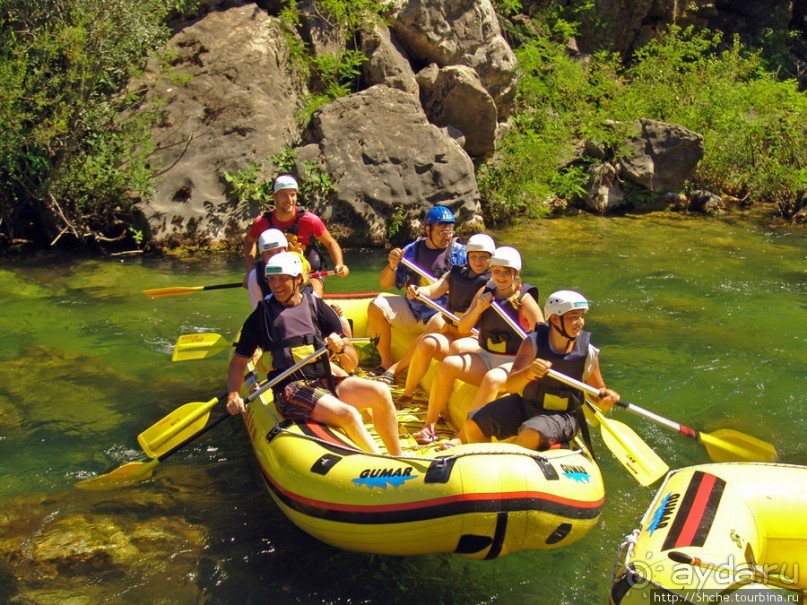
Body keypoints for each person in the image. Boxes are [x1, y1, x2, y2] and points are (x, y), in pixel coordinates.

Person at [226, 252, 402, 456]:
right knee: (349, 413)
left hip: (325, 380)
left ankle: (398, 456)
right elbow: (239, 362)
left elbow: (351, 363)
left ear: (298, 279)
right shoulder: (261, 316)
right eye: (272, 279)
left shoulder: (317, 307)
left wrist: (340, 348)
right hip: (290, 389)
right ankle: (382, 463)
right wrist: (233, 395)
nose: (276, 285)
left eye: (283, 279)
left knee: (381, 392)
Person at [412, 246, 543, 444]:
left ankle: (463, 437)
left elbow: (542, 336)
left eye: (506, 272)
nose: (500, 276)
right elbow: (464, 327)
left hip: (514, 363)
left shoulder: (524, 300)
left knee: (491, 379)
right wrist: (478, 309)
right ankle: (429, 426)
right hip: (486, 356)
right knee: (449, 364)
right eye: (496, 271)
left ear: (516, 273)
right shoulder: (485, 292)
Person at [463, 290, 620, 451]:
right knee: (473, 424)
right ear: (555, 319)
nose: (580, 322)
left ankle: (506, 460)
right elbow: (511, 386)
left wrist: (604, 399)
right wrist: (528, 373)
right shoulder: (533, 343)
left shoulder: (588, 352)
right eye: (573, 317)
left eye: (581, 316)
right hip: (527, 404)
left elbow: (597, 392)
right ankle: (488, 461)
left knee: (531, 433)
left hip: (563, 415)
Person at [366, 205, 466, 384]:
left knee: (440, 320)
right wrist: (392, 265)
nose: (447, 236)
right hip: (414, 310)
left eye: (449, 231)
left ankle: (395, 370)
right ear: (428, 230)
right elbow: (385, 283)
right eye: (442, 232)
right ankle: (385, 362)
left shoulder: (460, 253)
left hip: (440, 314)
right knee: (376, 305)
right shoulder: (412, 250)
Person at [398, 233, 495, 403]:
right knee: (427, 342)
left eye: (483, 257)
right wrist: (418, 291)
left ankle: (444, 404)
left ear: (491, 258)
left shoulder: (494, 283)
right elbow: (434, 290)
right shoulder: (456, 273)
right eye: (474, 256)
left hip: (475, 339)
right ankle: (407, 393)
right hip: (450, 331)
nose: (478, 261)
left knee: (456, 348)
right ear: (468, 256)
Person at [243, 174, 349, 296]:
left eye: (292, 195)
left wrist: (339, 264)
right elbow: (249, 241)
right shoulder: (262, 222)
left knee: (312, 297)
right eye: (284, 195)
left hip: (309, 274)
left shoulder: (310, 220)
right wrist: (249, 271)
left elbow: (330, 243)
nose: (289, 199)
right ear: (274, 196)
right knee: (254, 278)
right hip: (276, 276)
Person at [247, 228, 311, 310]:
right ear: (262, 256)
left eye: (279, 251)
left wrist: (299, 259)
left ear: (286, 250)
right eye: (269, 253)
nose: (275, 256)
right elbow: (257, 310)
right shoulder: (255, 276)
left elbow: (308, 268)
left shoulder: (296, 264)